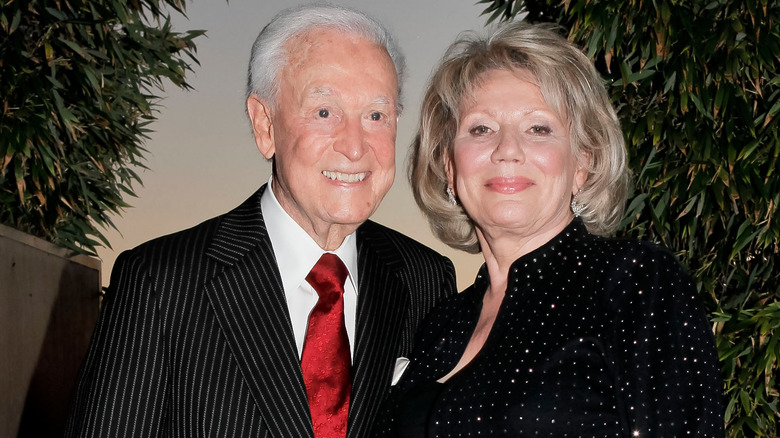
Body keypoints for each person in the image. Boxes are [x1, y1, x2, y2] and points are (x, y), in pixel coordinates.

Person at [65, 4, 456, 438]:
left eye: (376, 116)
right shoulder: (161, 281)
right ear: (264, 125)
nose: (354, 146)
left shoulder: (426, 280)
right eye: (325, 112)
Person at [374, 22, 723, 437]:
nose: (507, 150)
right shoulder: (442, 322)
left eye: (538, 129)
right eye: (481, 129)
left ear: (583, 163)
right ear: (449, 167)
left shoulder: (635, 283)